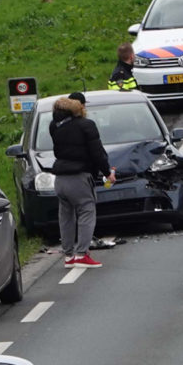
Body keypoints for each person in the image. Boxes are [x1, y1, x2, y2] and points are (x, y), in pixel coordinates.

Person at [48, 93, 112, 267]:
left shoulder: (54, 126)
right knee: (86, 211)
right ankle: (82, 254)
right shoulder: (87, 125)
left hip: (60, 179)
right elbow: (97, 153)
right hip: (79, 177)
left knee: (66, 216)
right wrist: (107, 173)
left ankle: (68, 255)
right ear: (79, 108)